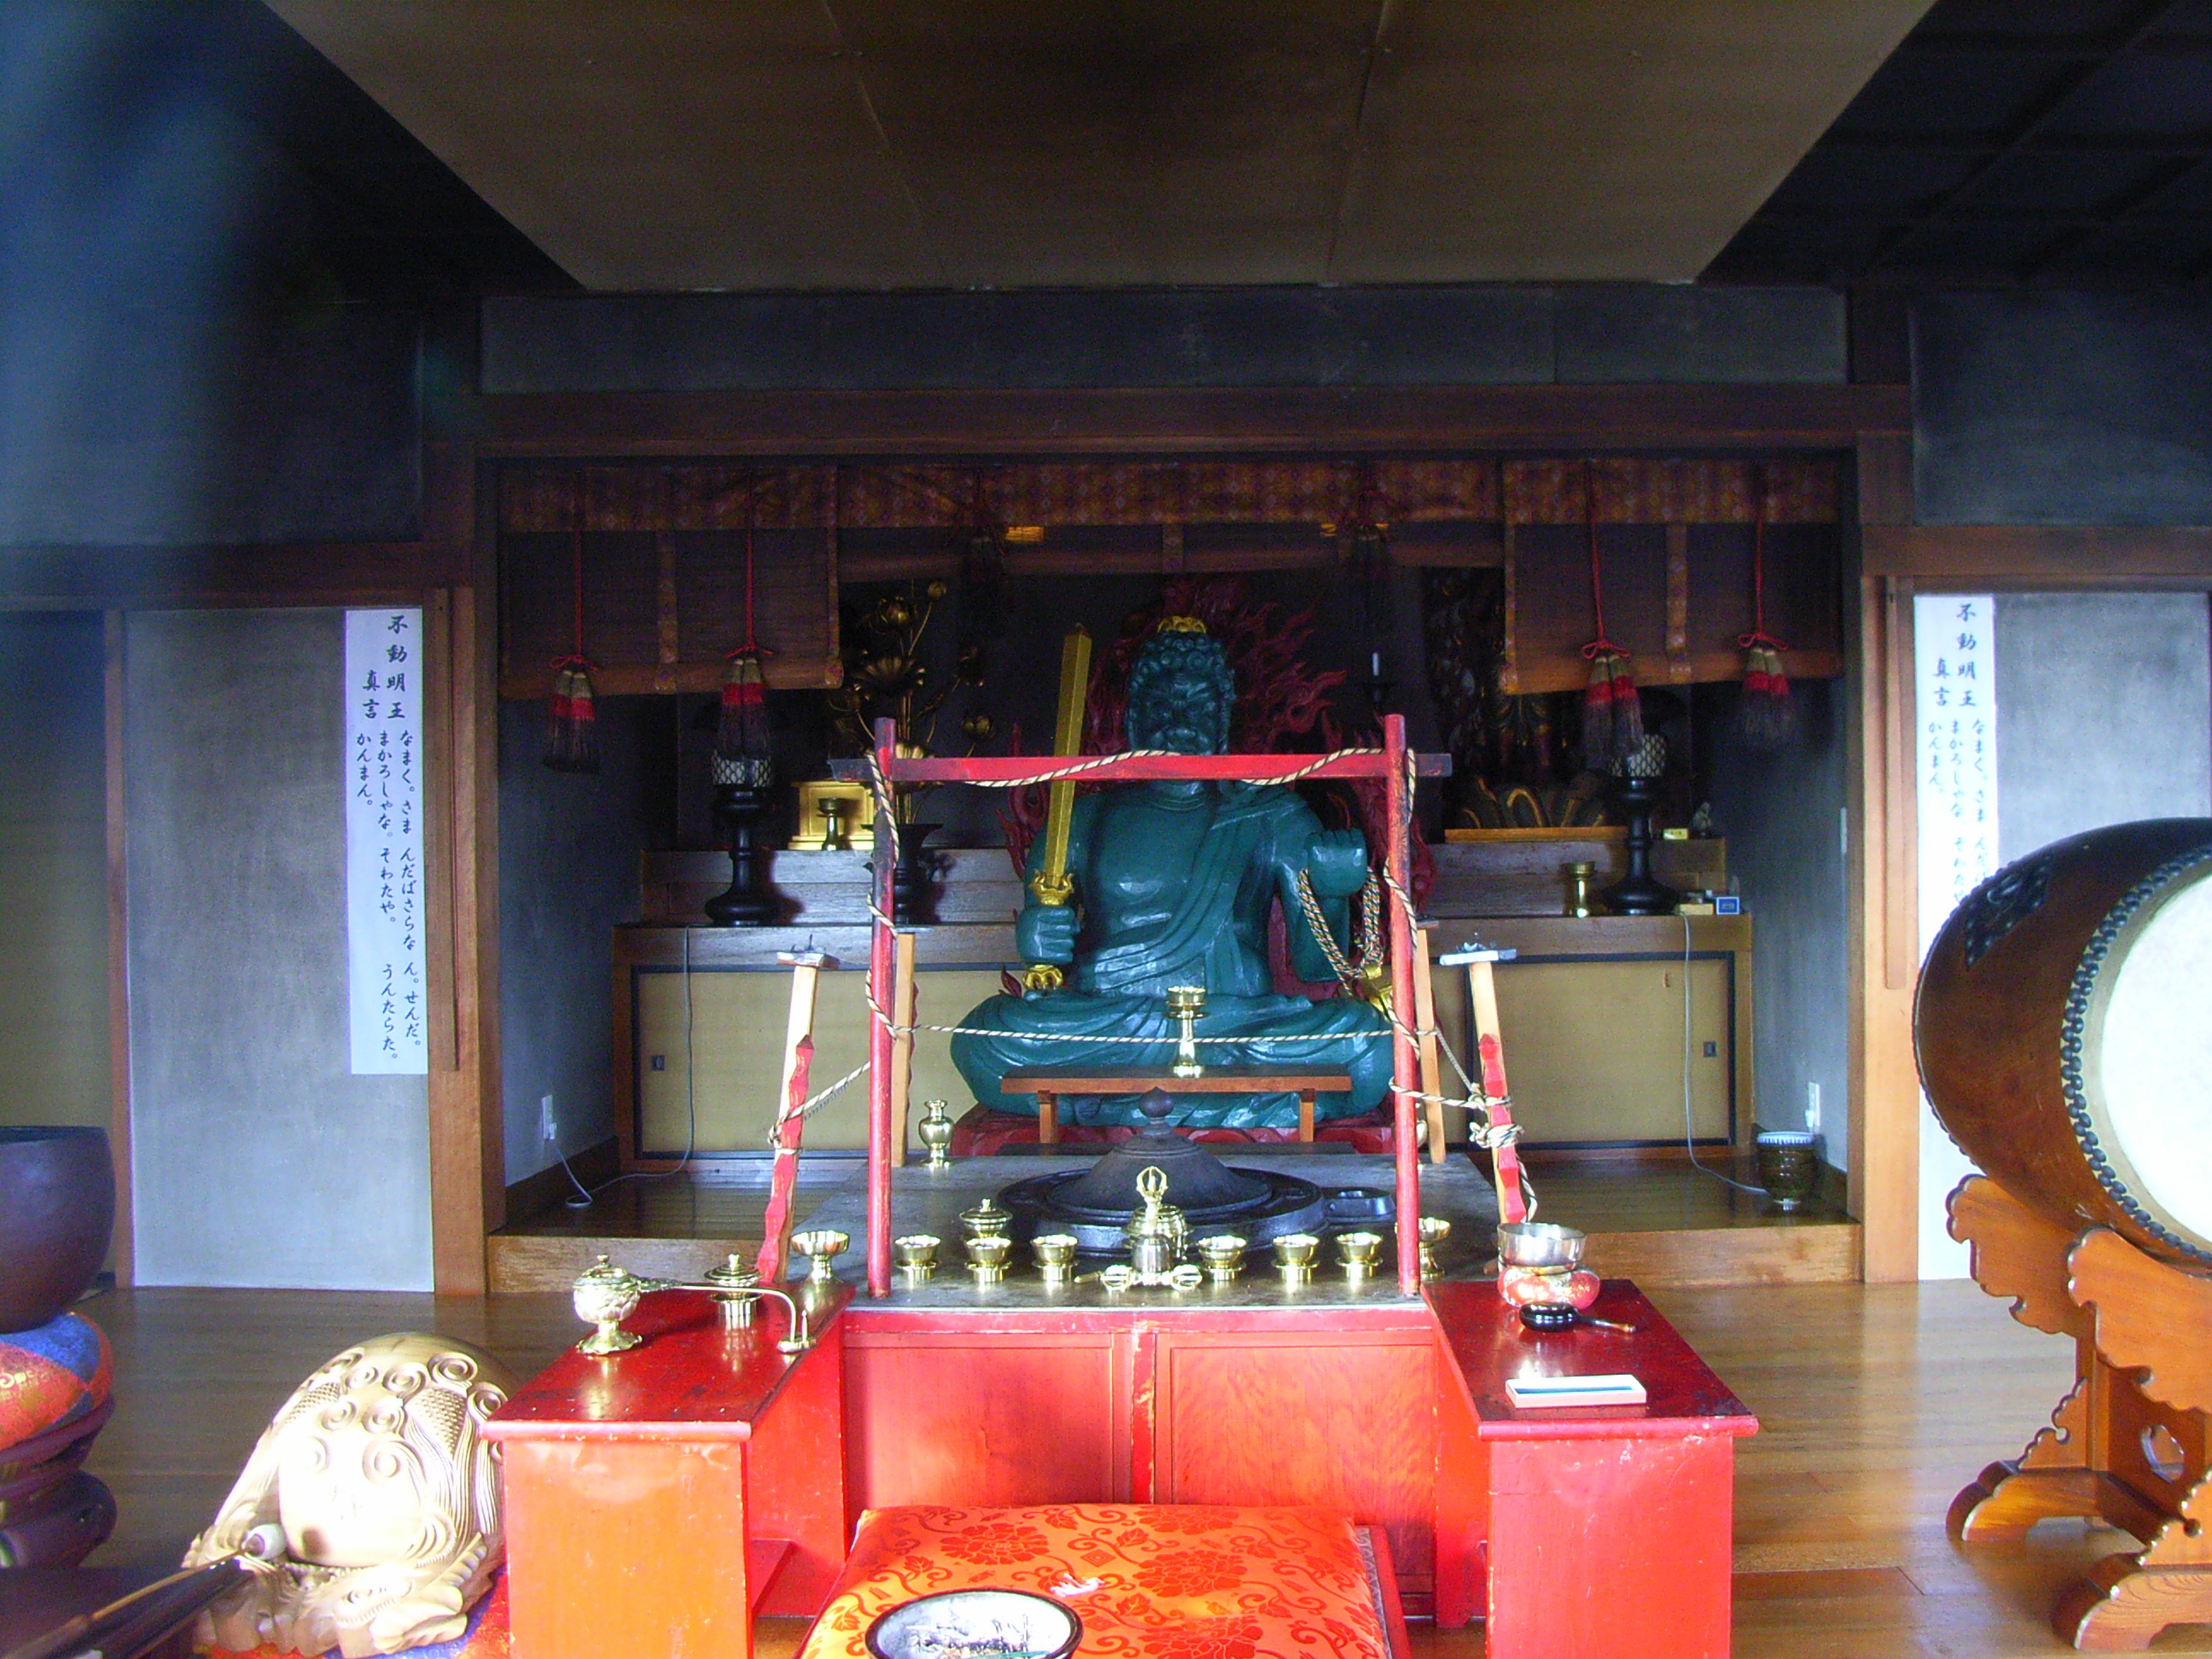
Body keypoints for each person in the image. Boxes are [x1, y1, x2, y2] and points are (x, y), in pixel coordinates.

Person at [950, 617, 1392, 1130]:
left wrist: (1334, 893)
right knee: (984, 1038)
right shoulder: (1083, 817)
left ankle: (1103, 1103)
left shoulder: (1270, 815)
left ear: (1222, 718)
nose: (1179, 720)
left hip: (1235, 1024)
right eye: (1162, 705)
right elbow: (1044, 951)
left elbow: (1319, 968)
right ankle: (1246, 1103)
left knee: (1368, 1041)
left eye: (1197, 704)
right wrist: (1037, 937)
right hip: (1114, 1023)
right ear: (1134, 719)